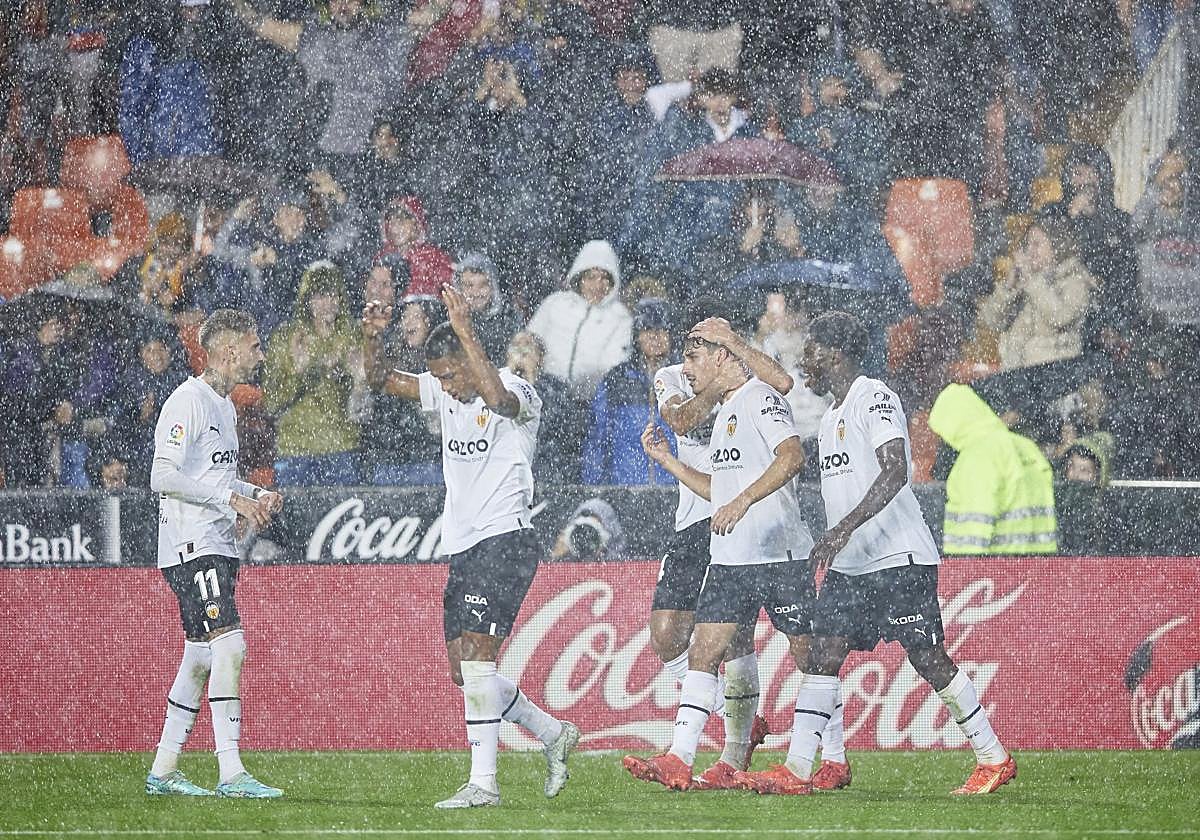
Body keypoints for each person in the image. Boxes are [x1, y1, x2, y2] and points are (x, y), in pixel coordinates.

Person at [736, 311, 1015, 796]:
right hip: (851, 566)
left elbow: (894, 471)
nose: (806, 361)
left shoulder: (875, 396)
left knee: (928, 659)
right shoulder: (828, 417)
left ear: (836, 352)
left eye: (813, 350)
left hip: (897, 560)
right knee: (822, 655)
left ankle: (993, 756)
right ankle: (799, 769)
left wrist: (841, 530)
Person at [362, 286, 579, 809]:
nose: (445, 387)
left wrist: (465, 330)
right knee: (464, 671)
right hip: (464, 547)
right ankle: (551, 732)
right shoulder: (445, 390)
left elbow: (498, 401)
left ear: (468, 356)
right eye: (438, 377)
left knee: (480, 660)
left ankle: (484, 784)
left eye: (451, 374)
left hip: (505, 539)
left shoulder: (516, 389)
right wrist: (371, 338)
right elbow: (380, 379)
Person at [644, 312, 851, 791]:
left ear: (722, 356)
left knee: (810, 658)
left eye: (694, 357)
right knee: (703, 650)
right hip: (732, 556)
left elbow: (793, 456)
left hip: (779, 554)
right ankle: (680, 756)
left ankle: (834, 757)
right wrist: (670, 462)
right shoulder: (723, 412)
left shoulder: (760, 398)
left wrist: (743, 500)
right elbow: (720, 487)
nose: (686, 368)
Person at [145, 308, 284, 799]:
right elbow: (162, 475)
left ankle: (163, 770)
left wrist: (251, 492)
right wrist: (230, 499)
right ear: (228, 351)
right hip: (191, 544)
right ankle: (231, 773)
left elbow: (214, 477)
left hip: (215, 544)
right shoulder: (188, 401)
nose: (259, 354)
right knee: (231, 647)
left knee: (201, 656)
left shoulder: (225, 406)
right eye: (254, 345)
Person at [927, 383, 1058, 555]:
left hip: (995, 570)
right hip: (1040, 564)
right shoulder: (1026, 446)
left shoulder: (977, 457)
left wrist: (964, 570)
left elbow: (975, 524)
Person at [582, 299, 676, 485]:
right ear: (637, 336)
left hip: (676, 489)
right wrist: (593, 488)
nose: (656, 336)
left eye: (662, 330)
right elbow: (597, 439)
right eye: (648, 329)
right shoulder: (616, 380)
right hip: (624, 489)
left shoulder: (685, 376)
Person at [527, 240, 632, 400]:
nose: (598, 285)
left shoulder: (620, 317)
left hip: (588, 401)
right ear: (579, 278)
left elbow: (612, 365)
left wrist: (579, 389)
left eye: (604, 278)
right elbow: (530, 342)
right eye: (591, 277)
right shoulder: (555, 303)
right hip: (542, 393)